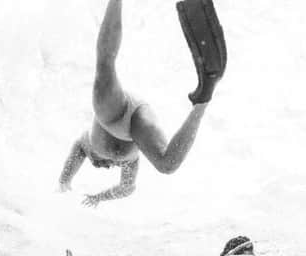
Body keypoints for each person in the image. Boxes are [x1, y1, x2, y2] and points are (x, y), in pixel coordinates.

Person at [57, 0, 226, 206]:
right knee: (167, 165)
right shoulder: (129, 162)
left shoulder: (84, 146)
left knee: (104, 67)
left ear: (90, 158)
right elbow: (127, 188)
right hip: (138, 125)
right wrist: (99, 197)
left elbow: (70, 166)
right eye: (108, 167)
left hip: (113, 114)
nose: (106, 165)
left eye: (98, 163)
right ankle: (203, 100)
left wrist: (64, 182)